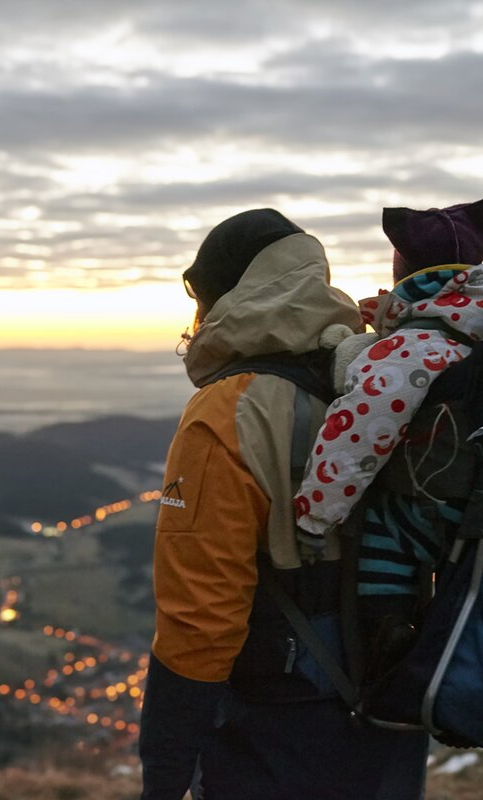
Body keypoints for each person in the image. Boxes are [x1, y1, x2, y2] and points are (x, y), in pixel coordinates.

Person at [139, 209, 429, 800]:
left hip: (277, 727)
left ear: (226, 295)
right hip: (394, 712)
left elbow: (200, 619)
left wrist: (163, 777)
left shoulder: (229, 410)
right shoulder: (382, 377)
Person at [295, 200, 483, 615]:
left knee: (382, 535)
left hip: (433, 508)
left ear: (404, 276)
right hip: (473, 509)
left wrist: (316, 516)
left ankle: (387, 629)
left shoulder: (412, 347)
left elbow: (359, 427)